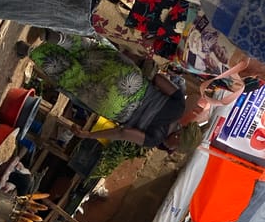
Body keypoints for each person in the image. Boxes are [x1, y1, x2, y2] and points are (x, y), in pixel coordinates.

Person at [29, 35, 202, 151]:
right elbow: (122, 133)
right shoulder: (153, 140)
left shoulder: (179, 105)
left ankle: (61, 38)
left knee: (93, 54)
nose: (171, 148)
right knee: (75, 80)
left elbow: (157, 79)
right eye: (175, 147)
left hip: (131, 79)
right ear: (179, 137)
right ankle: (31, 51)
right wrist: (89, 135)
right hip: (114, 105)